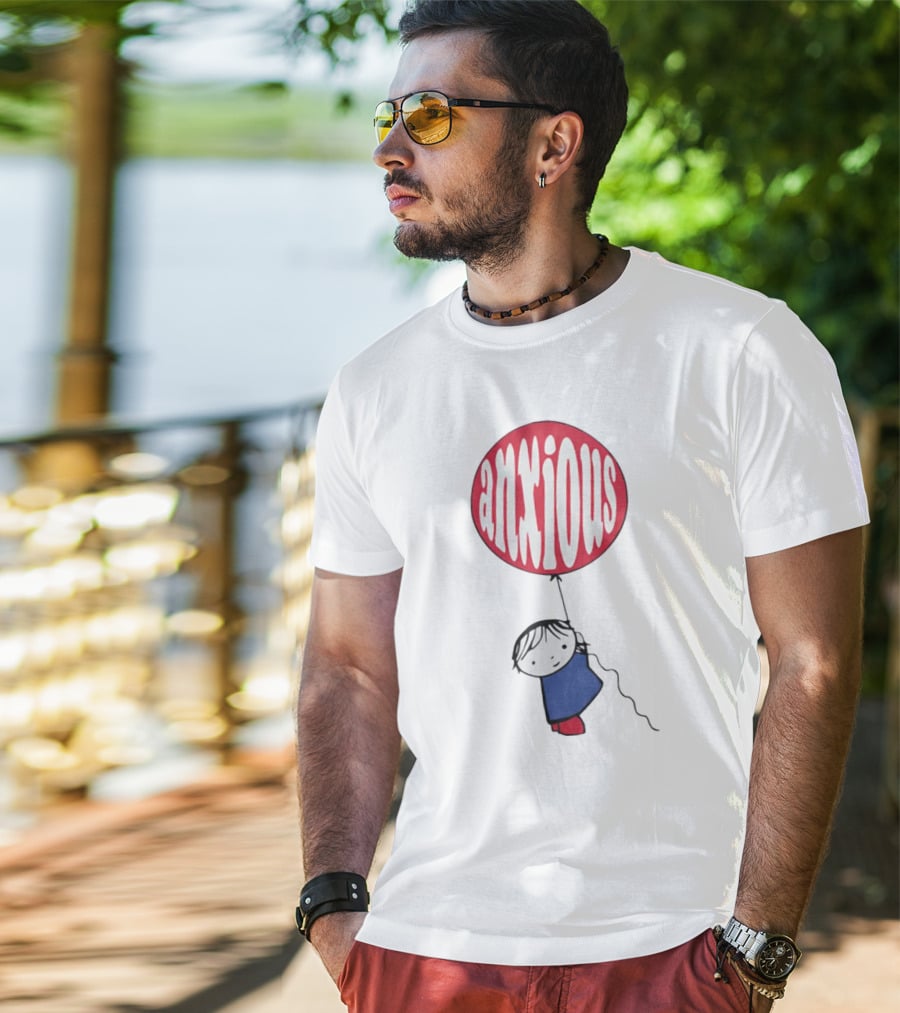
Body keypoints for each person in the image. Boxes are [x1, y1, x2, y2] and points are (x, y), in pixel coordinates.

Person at [295, 2, 869, 1011]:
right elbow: (347, 659)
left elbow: (812, 660)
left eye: (431, 116)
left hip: (669, 947)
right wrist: (336, 908)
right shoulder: (376, 385)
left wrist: (756, 950)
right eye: (387, 115)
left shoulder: (741, 349)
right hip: (426, 951)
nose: (389, 146)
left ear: (554, 142)